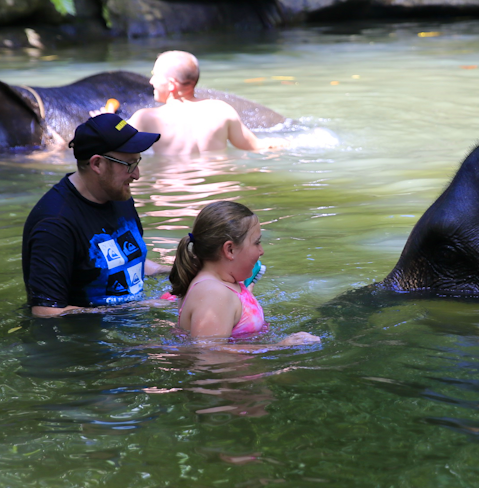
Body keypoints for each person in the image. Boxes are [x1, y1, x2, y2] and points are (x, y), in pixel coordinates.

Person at [22, 113, 168, 317]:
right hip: (89, 342)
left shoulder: (119, 195)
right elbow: (46, 311)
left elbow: (126, 258)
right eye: (129, 165)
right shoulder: (55, 223)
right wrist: (132, 310)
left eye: (137, 162)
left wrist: (171, 271)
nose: (137, 175)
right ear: (97, 164)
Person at [169, 201, 319, 347]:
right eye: (256, 243)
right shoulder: (213, 294)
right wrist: (279, 346)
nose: (261, 251)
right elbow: (208, 357)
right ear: (230, 250)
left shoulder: (223, 284)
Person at [127, 51, 279, 155]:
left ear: (171, 85)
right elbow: (254, 146)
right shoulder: (221, 110)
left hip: (172, 195)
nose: (151, 81)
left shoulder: (145, 118)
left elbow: (115, 142)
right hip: (220, 194)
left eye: (155, 75)